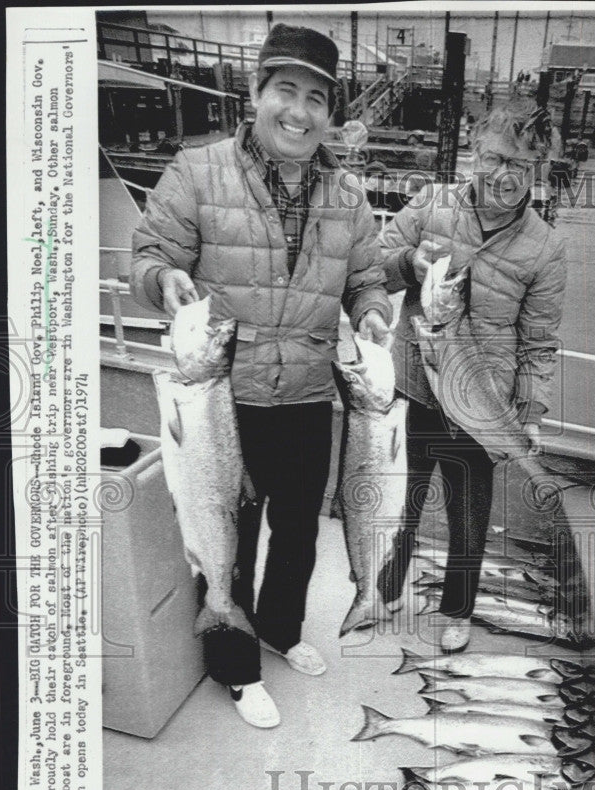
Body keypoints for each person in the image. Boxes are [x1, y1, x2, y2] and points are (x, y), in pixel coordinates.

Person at [131, 24, 393, 728]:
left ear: (330, 112)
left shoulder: (346, 195)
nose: (299, 111)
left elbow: (366, 276)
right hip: (225, 396)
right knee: (229, 532)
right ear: (255, 93)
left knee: (300, 531)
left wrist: (369, 312)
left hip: (309, 393)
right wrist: (166, 279)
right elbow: (149, 254)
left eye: (316, 98)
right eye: (286, 90)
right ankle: (236, 668)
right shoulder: (197, 170)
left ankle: (278, 629)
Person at [377, 99, 567, 654]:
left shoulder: (547, 247)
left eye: (520, 166)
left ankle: (456, 609)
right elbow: (375, 258)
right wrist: (410, 261)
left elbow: (539, 342)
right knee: (404, 495)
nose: (503, 176)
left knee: (468, 512)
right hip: (417, 382)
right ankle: (390, 574)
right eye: (493, 158)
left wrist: (529, 415)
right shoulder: (433, 203)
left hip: (484, 401)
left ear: (538, 172)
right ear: (473, 154)